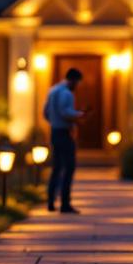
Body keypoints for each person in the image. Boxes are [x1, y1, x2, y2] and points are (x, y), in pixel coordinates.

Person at [42, 67, 86, 213]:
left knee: (56, 168)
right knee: (69, 167)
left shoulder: (52, 90)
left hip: (55, 131)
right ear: (73, 80)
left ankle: (50, 201)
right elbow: (65, 112)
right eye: (78, 83)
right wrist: (80, 115)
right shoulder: (66, 93)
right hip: (64, 133)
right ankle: (65, 203)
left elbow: (46, 113)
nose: (78, 86)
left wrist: (54, 122)